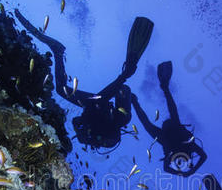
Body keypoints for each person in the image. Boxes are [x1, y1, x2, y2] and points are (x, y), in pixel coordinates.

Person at [15, 10, 153, 150]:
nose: (100, 141)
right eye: (102, 141)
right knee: (72, 92)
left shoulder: (92, 136)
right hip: (96, 102)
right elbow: (104, 99)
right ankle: (58, 51)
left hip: (90, 104)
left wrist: (79, 130)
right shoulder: (113, 125)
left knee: (61, 89)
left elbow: (77, 120)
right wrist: (123, 77)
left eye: (100, 142)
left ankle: (58, 51)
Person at [131, 61, 207, 176]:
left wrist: (182, 173)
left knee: (148, 125)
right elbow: (204, 156)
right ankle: (164, 88)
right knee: (171, 114)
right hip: (176, 132)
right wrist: (190, 172)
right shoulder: (189, 146)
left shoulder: (171, 155)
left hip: (166, 137)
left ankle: (134, 101)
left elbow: (166, 168)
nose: (181, 157)